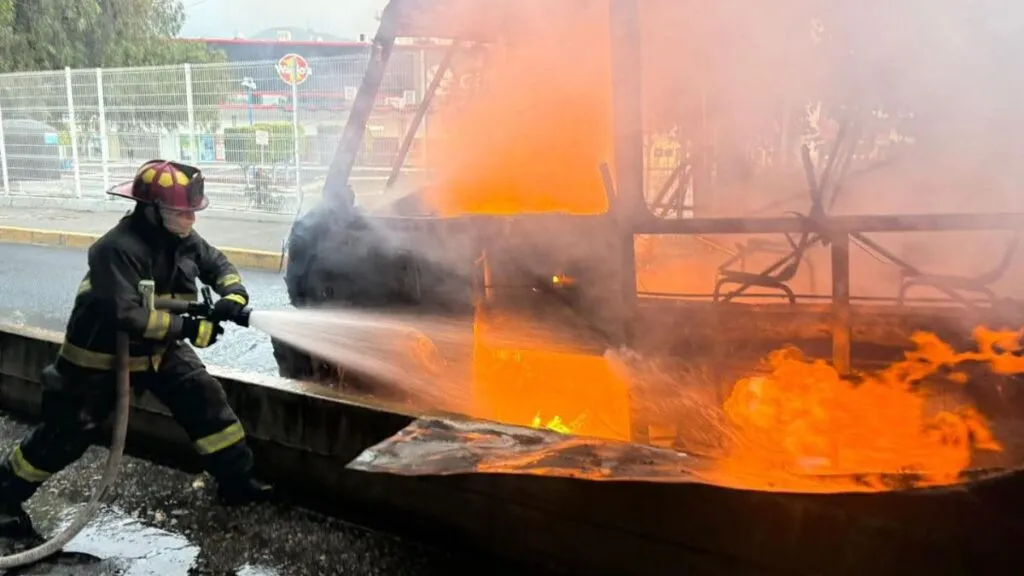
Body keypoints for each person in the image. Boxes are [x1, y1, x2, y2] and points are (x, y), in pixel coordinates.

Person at [0, 160, 273, 539]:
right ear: (151, 210)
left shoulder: (181, 238)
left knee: (207, 404)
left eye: (193, 210)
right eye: (182, 211)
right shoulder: (113, 249)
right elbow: (125, 314)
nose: (191, 219)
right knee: (66, 436)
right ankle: (3, 498)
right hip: (99, 358)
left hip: (161, 351)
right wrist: (189, 327)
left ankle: (236, 482)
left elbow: (217, 263)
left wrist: (234, 293)